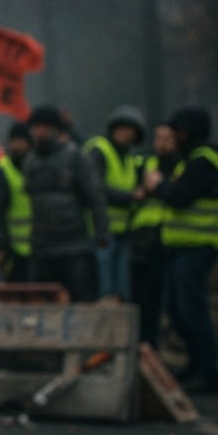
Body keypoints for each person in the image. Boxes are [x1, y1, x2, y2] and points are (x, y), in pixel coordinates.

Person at [144, 106, 218, 392]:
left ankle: (207, 373)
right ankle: (195, 366)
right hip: (182, 249)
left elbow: (178, 197)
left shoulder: (204, 161)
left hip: (197, 248)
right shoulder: (192, 160)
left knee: (192, 311)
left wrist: (159, 186)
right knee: (179, 311)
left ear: (186, 133)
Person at [22, 104, 109, 301]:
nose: (40, 133)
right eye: (36, 128)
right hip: (41, 246)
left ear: (56, 130)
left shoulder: (75, 157)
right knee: (39, 302)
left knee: (82, 300)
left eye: (45, 127)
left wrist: (102, 232)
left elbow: (95, 197)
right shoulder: (30, 162)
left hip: (74, 246)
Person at [84, 105, 146, 301]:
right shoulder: (99, 150)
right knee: (105, 285)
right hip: (101, 230)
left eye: (130, 130)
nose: (125, 134)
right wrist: (129, 197)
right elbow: (95, 188)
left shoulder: (131, 159)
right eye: (121, 128)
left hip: (123, 231)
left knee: (122, 286)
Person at [129, 122, 179, 348]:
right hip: (141, 239)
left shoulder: (181, 165)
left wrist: (159, 186)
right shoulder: (145, 163)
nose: (162, 143)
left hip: (167, 239)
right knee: (139, 297)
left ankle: (155, 343)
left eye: (167, 138)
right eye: (158, 138)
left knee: (161, 298)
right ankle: (141, 343)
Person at [0, 122, 33, 282]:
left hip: (42, 247)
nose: (17, 146)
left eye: (21, 141)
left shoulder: (40, 165)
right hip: (12, 250)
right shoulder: (3, 169)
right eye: (14, 141)